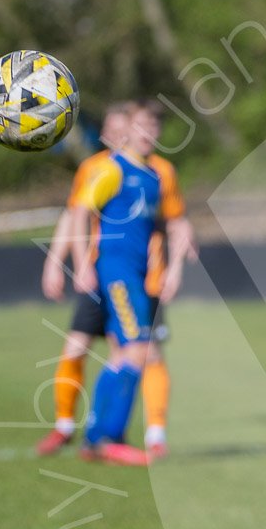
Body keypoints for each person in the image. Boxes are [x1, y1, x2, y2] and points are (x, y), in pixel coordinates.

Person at [38, 101, 194, 461]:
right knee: (133, 351)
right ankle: (100, 437)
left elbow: (174, 220)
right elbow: (78, 212)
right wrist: (77, 263)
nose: (145, 133)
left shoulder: (157, 174)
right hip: (115, 274)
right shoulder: (109, 170)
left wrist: (175, 264)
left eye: (153, 127)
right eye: (140, 126)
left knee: (132, 353)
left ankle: (103, 436)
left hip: (141, 278)